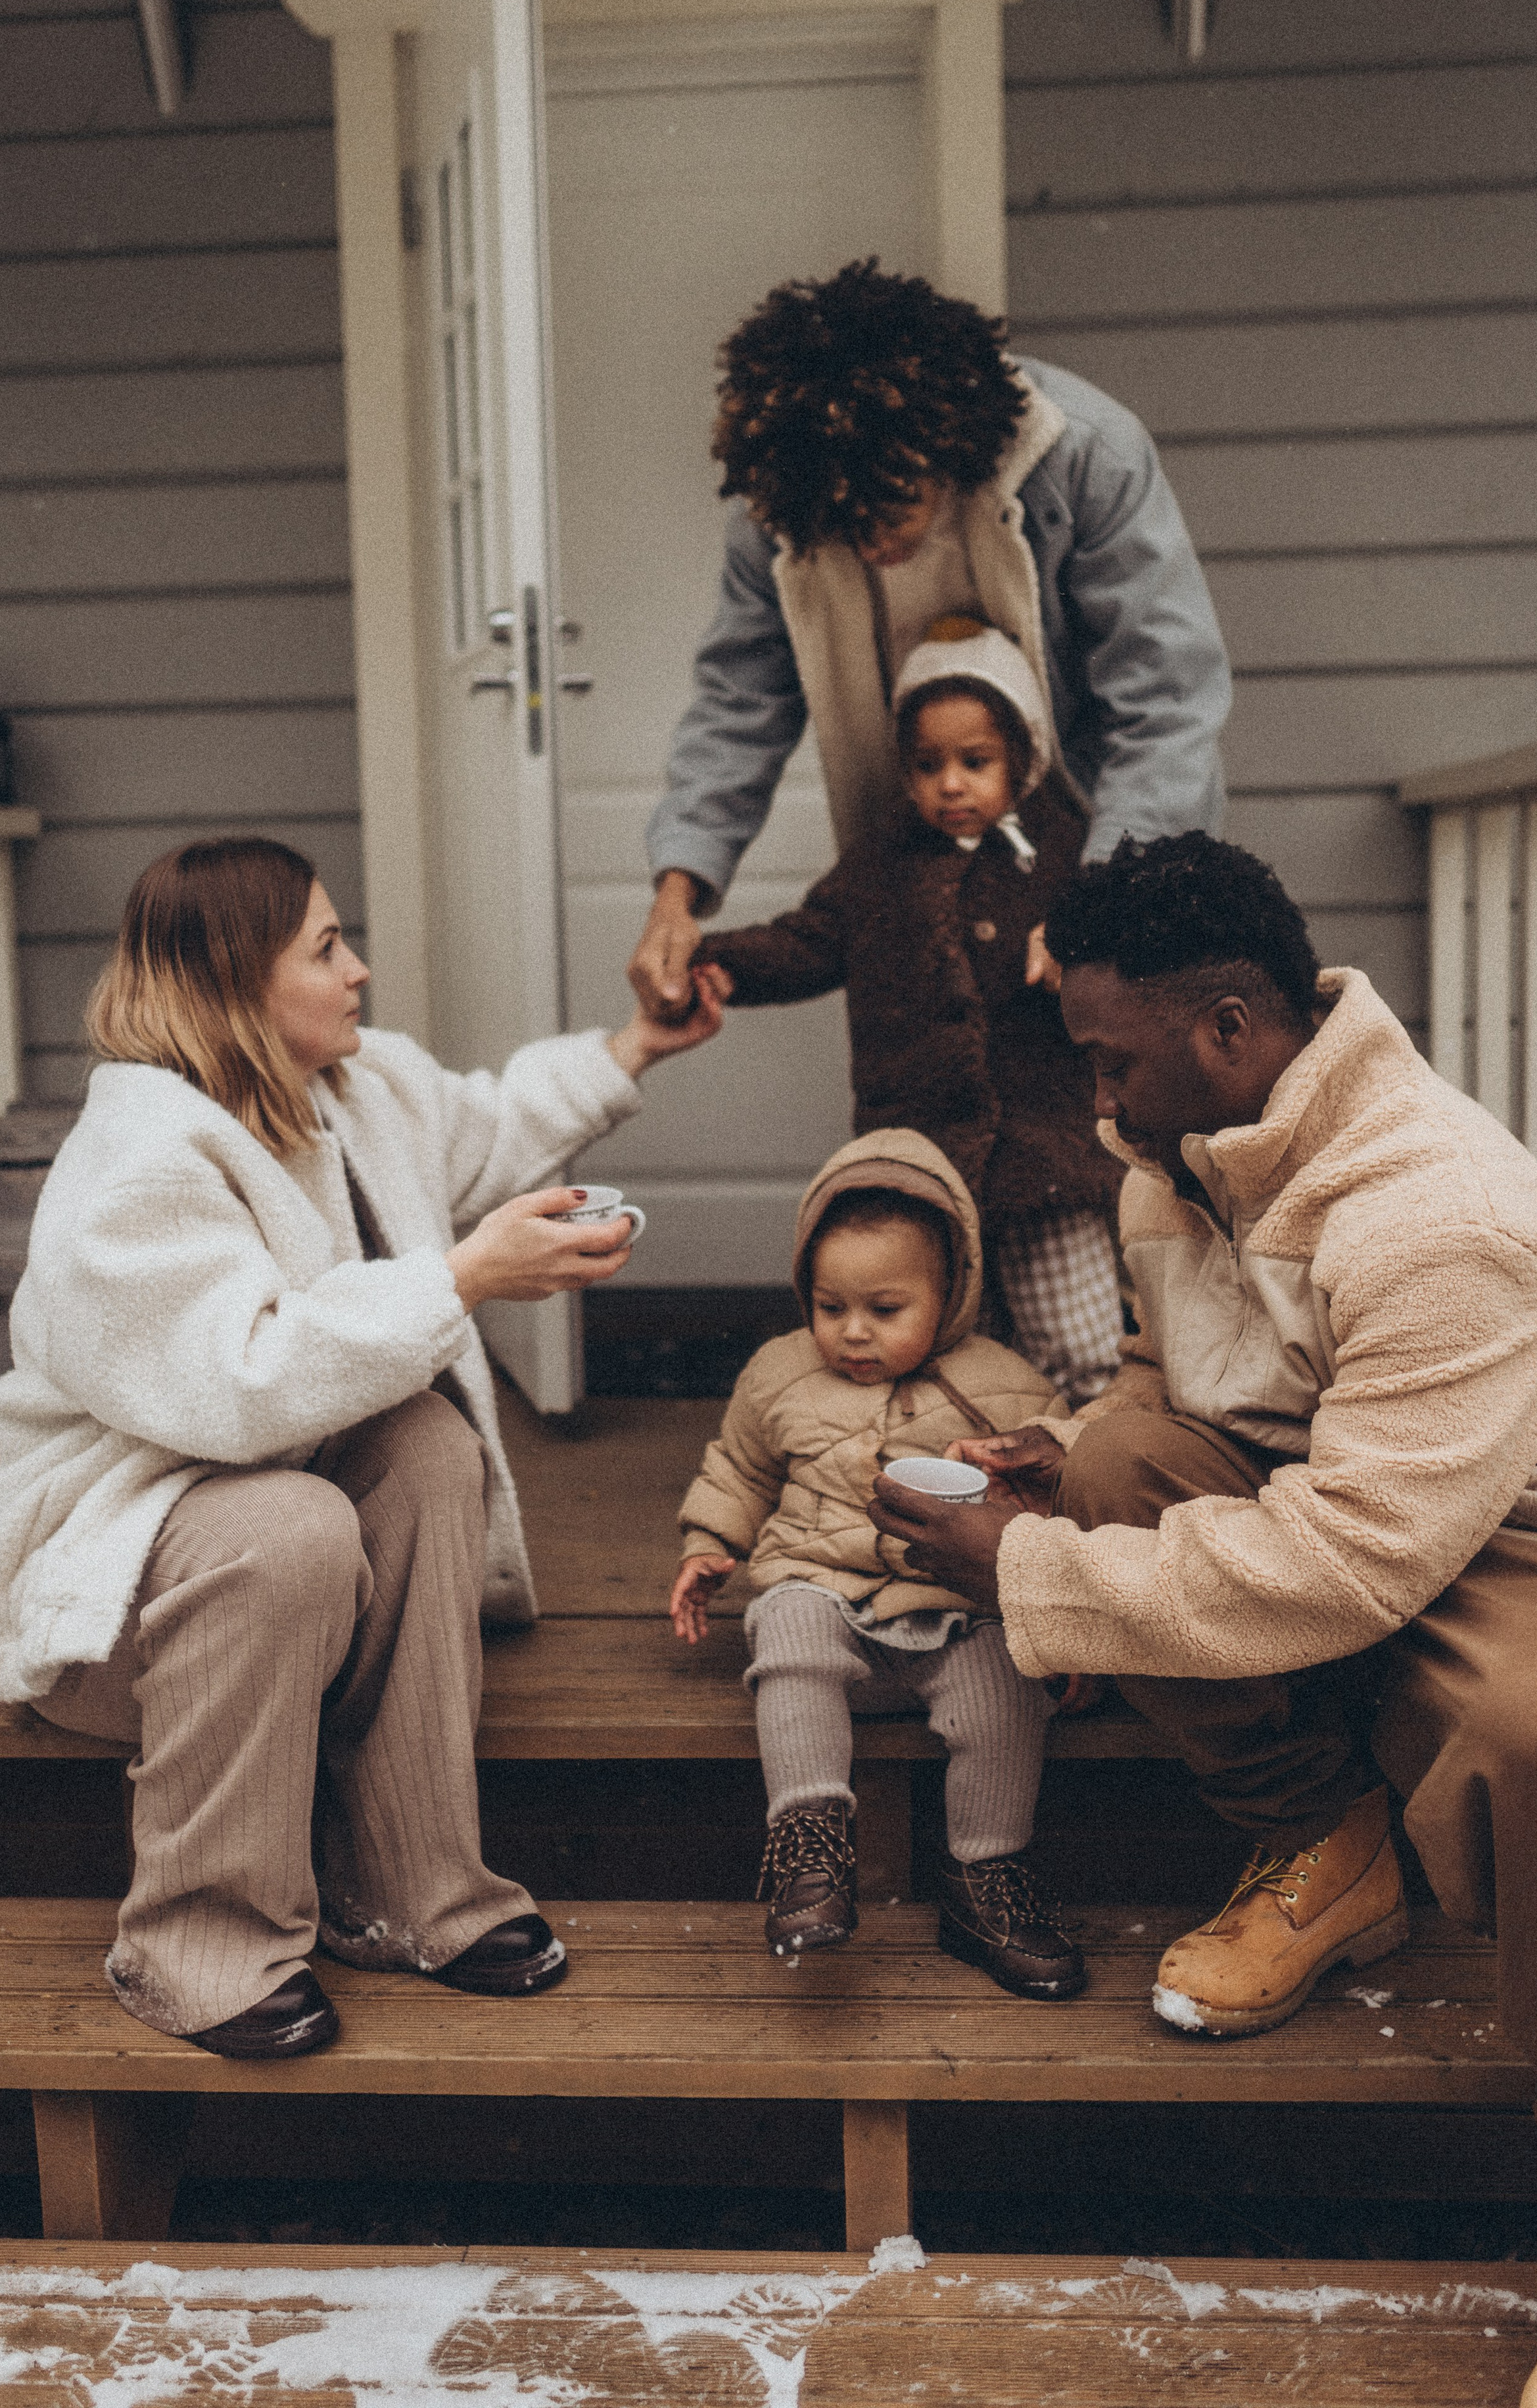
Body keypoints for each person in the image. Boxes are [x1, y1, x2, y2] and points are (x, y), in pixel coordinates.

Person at [866, 832, 1537, 2405]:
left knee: (1525, 1731)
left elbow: (1348, 1564)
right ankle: (1324, 1841)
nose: (1092, 1096)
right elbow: (1172, 1388)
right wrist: (1062, 1462)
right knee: (1119, 1452)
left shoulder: (1448, 1216)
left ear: (1226, 1028)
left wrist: (1020, 1566)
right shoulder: (1178, 1155)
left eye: (1106, 1056)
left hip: (1533, 1527)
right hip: (1346, 1492)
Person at [0, 837, 722, 2059]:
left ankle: (409, 1887)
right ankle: (194, 1942)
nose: (359, 968)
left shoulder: (352, 1088)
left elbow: (497, 1118)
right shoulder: (136, 1159)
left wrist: (635, 1044)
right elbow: (240, 1387)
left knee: (424, 1442)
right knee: (292, 1524)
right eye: (324, 946)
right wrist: (468, 1274)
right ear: (233, 979)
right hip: (115, 1606)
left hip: (276, 1577)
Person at [629, 257, 1228, 1387]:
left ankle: (1156, 1433)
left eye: (888, 513)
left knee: (1137, 1155)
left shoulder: (1087, 455)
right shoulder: (783, 505)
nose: (871, 549)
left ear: (951, 447)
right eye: (836, 531)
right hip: (938, 875)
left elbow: (1170, 704)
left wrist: (1098, 910)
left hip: (1113, 860)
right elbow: (739, 699)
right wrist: (680, 892)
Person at [669, 1126, 1087, 2000]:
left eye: (885, 1310)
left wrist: (1067, 1618)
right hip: (823, 1591)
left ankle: (985, 1877)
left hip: (950, 1604)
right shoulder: (778, 1374)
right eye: (830, 1307)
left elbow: (1061, 1493)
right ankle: (812, 1849)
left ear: (951, 1293)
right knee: (784, 1624)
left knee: (1005, 1686)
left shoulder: (1003, 1382)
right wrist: (712, 1547)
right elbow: (740, 1469)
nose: (853, 1333)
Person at [692, 616, 1124, 1399]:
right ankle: (966, 1478)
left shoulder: (1066, 855)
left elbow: (1125, 953)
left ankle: (1084, 1475)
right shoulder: (882, 865)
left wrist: (1080, 950)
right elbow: (810, 940)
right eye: (927, 766)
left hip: (1045, 1153)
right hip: (926, 1160)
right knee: (952, 1344)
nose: (949, 783)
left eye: (975, 762)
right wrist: (715, 960)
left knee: (1079, 1343)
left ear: (1022, 756)